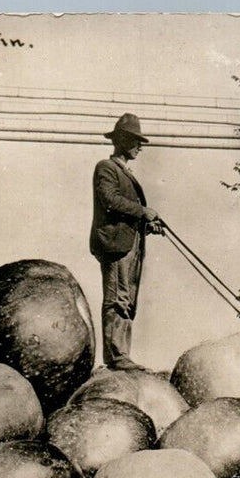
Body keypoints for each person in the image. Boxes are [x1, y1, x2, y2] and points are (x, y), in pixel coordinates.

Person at [89, 113, 163, 371]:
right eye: (135, 140)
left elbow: (123, 207)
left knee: (127, 299)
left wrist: (147, 223)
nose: (140, 146)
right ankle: (117, 357)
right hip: (115, 244)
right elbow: (110, 200)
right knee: (117, 298)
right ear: (121, 140)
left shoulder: (122, 171)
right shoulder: (106, 168)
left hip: (130, 243)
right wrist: (143, 212)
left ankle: (122, 354)